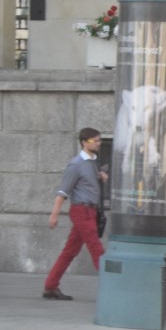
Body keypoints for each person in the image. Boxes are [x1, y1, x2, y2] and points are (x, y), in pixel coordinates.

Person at [43, 127, 107, 300]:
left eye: (100, 140)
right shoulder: (76, 164)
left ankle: (50, 286)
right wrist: (54, 215)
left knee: (70, 251)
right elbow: (63, 192)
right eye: (96, 141)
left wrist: (100, 177)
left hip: (90, 211)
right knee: (96, 249)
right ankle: (113, 287)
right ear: (84, 143)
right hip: (81, 211)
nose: (99, 143)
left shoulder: (92, 163)